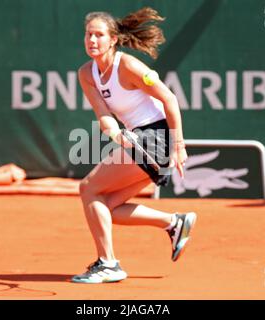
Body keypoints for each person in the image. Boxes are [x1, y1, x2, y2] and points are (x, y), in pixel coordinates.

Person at [72, 7, 197, 284]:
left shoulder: (128, 66)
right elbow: (103, 114)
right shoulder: (86, 73)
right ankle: (174, 223)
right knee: (106, 206)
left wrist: (178, 146)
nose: (92, 40)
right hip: (136, 138)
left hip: (157, 137)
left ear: (113, 39)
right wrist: (115, 132)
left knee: (88, 188)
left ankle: (108, 264)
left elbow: (170, 100)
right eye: (88, 35)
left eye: (99, 35)